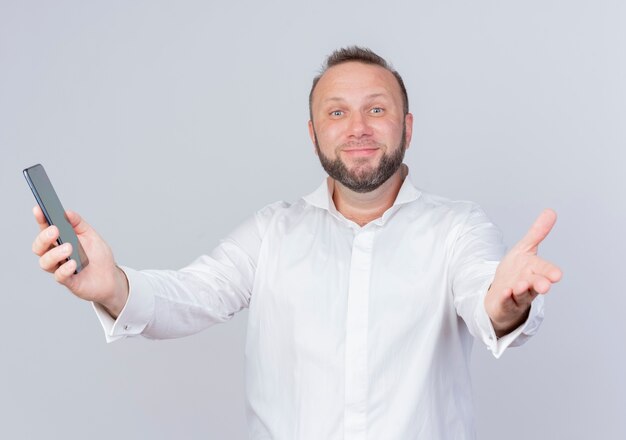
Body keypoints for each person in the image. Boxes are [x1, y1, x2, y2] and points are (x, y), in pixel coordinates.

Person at [31, 46, 562, 439]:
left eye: (376, 110)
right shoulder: (271, 232)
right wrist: (113, 286)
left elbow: (484, 295)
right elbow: (189, 296)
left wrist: (504, 305)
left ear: (407, 126)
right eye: (337, 112)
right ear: (313, 133)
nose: (357, 128)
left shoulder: (458, 228)